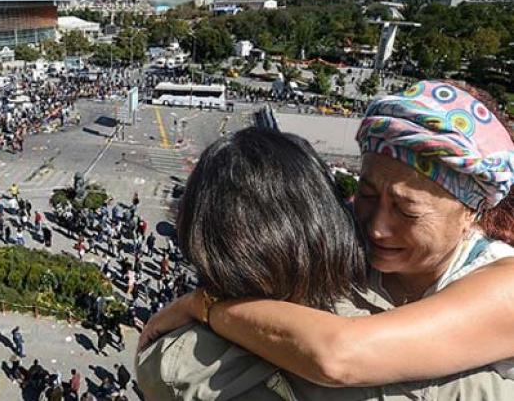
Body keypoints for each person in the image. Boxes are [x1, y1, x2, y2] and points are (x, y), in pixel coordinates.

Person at [139, 84, 514, 398]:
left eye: (407, 210)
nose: (378, 227)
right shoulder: (351, 229)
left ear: (472, 211)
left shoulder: (504, 283)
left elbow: (338, 357)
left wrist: (203, 306)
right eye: (367, 194)